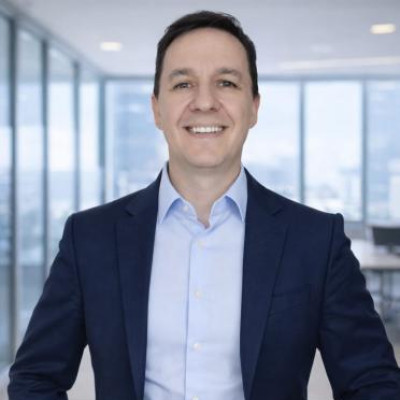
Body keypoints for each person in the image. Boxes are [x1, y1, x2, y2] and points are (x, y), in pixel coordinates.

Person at [8, 10, 400, 400]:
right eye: (183, 84)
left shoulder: (315, 240)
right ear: (157, 109)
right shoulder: (91, 237)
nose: (205, 102)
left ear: (254, 107)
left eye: (226, 82)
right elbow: (34, 378)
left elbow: (374, 383)